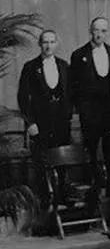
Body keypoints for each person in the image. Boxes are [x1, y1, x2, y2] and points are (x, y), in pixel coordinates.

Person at [17, 30, 73, 204]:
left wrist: (69, 113)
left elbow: (70, 92)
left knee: (62, 159)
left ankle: (62, 196)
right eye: (45, 42)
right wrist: (30, 123)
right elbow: (22, 97)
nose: (48, 46)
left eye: (51, 42)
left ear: (56, 44)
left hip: (61, 121)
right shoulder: (30, 67)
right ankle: (45, 200)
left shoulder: (64, 65)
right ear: (40, 44)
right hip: (40, 122)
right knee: (42, 162)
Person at [70, 17, 110, 195]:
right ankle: (93, 193)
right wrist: (83, 108)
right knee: (90, 153)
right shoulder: (79, 55)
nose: (99, 34)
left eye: (103, 31)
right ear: (90, 31)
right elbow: (74, 85)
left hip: (109, 111)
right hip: (90, 113)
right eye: (96, 30)